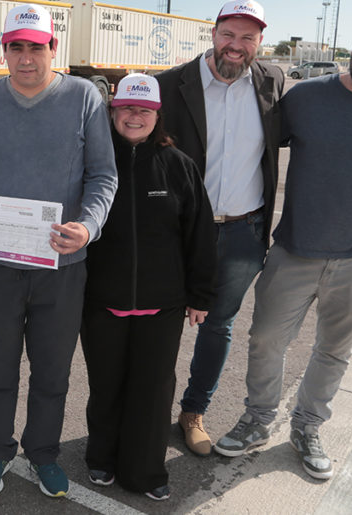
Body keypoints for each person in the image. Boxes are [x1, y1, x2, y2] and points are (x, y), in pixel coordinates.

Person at [215, 10, 352, 480]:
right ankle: (258, 419)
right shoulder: (306, 97)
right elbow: (249, 146)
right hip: (294, 250)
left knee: (335, 350)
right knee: (265, 340)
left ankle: (307, 426)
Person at [0, 3, 117, 498]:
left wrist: (87, 227)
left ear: (53, 48)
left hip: (61, 266)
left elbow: (102, 174)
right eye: (16, 47)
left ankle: (43, 452)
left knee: (52, 371)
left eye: (36, 47)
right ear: (4, 51)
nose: (26, 57)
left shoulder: (83, 97)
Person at [156, 0, 284, 456]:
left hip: (243, 233)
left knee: (218, 326)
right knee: (161, 322)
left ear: (260, 42)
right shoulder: (170, 85)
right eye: (228, 34)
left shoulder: (272, 81)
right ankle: (148, 411)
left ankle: (193, 412)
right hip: (181, 232)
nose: (236, 44)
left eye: (248, 37)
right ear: (213, 34)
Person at [81, 74, 216, 501]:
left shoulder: (178, 165)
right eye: (126, 108)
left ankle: (144, 471)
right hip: (102, 302)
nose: (134, 116)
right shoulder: (94, 164)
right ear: (113, 111)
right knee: (106, 387)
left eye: (144, 109)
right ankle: (101, 457)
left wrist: (200, 295)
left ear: (158, 116)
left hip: (162, 306)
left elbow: (200, 235)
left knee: (154, 391)